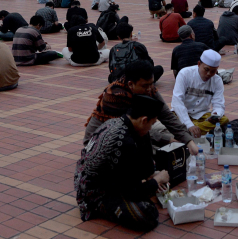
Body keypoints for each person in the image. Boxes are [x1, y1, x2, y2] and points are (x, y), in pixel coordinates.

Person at [74, 94, 169, 232]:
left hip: (112, 180)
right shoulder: (125, 142)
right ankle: (99, 208)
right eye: (152, 124)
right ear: (144, 120)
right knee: (147, 214)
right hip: (94, 194)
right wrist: (157, 180)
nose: (150, 128)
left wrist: (150, 175)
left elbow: (145, 161)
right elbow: (132, 192)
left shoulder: (119, 122)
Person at [84, 60, 198, 156]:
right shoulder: (115, 96)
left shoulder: (149, 89)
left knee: (169, 130)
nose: (149, 89)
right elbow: (131, 130)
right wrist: (166, 139)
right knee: (146, 151)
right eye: (145, 86)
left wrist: (189, 141)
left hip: (132, 128)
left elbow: (167, 116)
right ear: (131, 84)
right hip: (102, 141)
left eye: (151, 84)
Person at [171, 50, 228, 137]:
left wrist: (216, 114)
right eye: (206, 69)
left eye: (213, 71)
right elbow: (177, 102)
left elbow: (219, 104)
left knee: (224, 120)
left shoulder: (217, 80)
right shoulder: (184, 74)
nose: (209, 74)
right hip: (181, 114)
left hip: (201, 115)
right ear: (199, 64)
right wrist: (189, 124)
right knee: (169, 120)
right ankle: (192, 130)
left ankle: (187, 132)